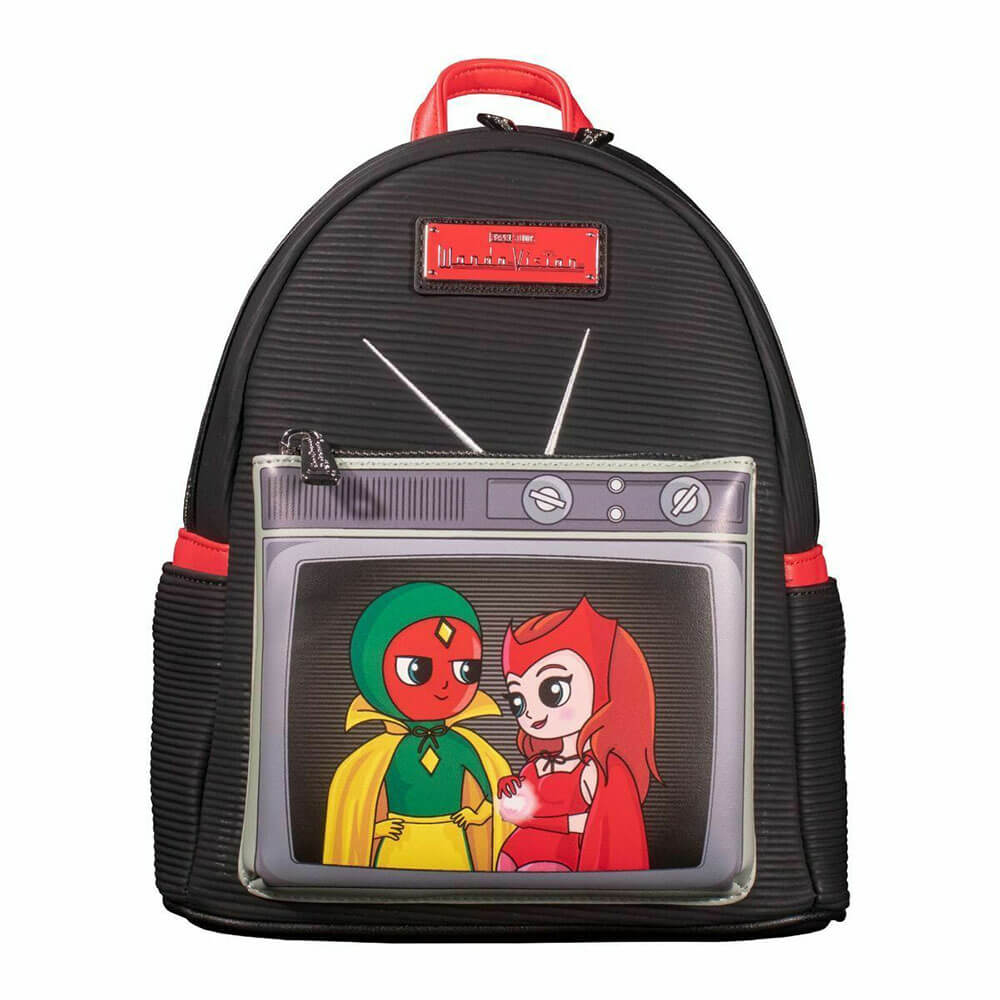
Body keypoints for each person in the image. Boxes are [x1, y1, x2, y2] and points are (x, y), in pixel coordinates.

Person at [323, 582, 511, 871]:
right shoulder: (368, 761)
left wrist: (478, 816)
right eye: (418, 670)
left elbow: (495, 795)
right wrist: (375, 829)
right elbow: (355, 818)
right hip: (399, 843)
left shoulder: (467, 747)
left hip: (452, 839)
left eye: (465, 670)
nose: (445, 684)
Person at [496, 597, 659, 872]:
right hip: (510, 857)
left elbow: (590, 825)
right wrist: (509, 788)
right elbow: (518, 807)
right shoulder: (538, 763)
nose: (530, 714)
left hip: (557, 865)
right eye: (518, 700)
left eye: (553, 691)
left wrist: (533, 821)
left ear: (605, 682)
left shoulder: (597, 771)